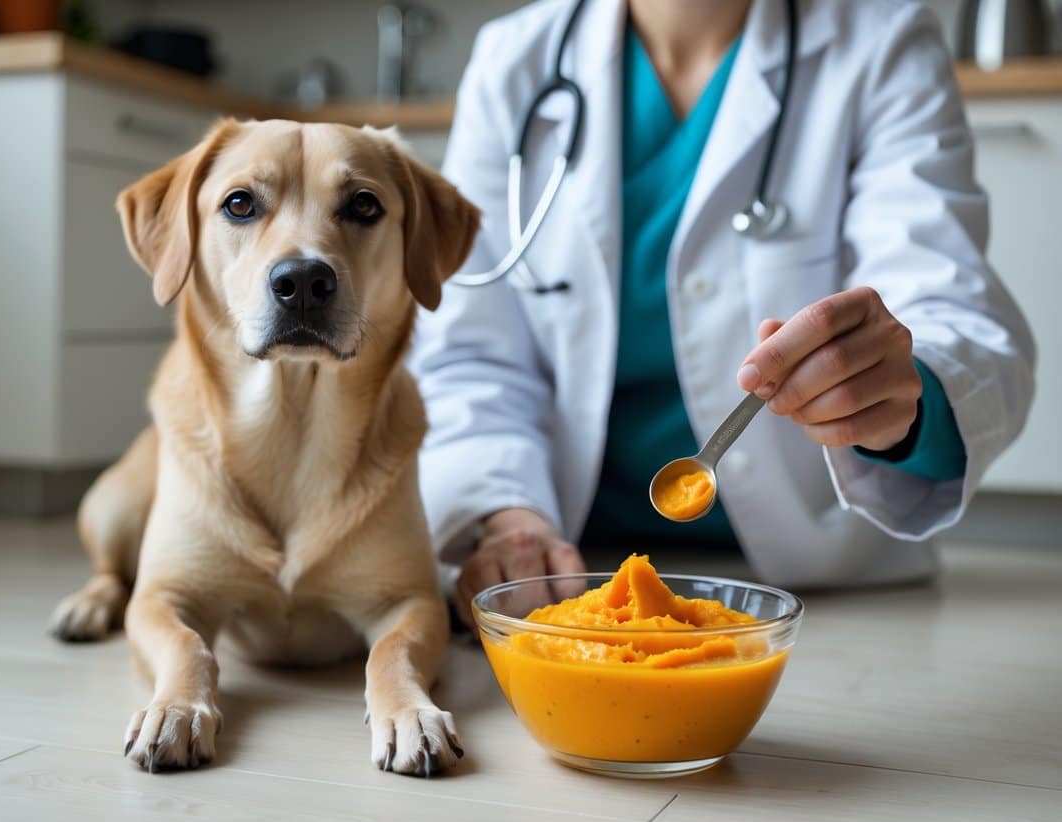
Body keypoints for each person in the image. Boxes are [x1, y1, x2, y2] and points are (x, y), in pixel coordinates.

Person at [408, 0, 1036, 622]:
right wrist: (510, 518)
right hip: (576, 574)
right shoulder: (514, 59)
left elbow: (948, 309)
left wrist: (899, 397)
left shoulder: (882, 42)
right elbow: (469, 352)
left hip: (818, 582)